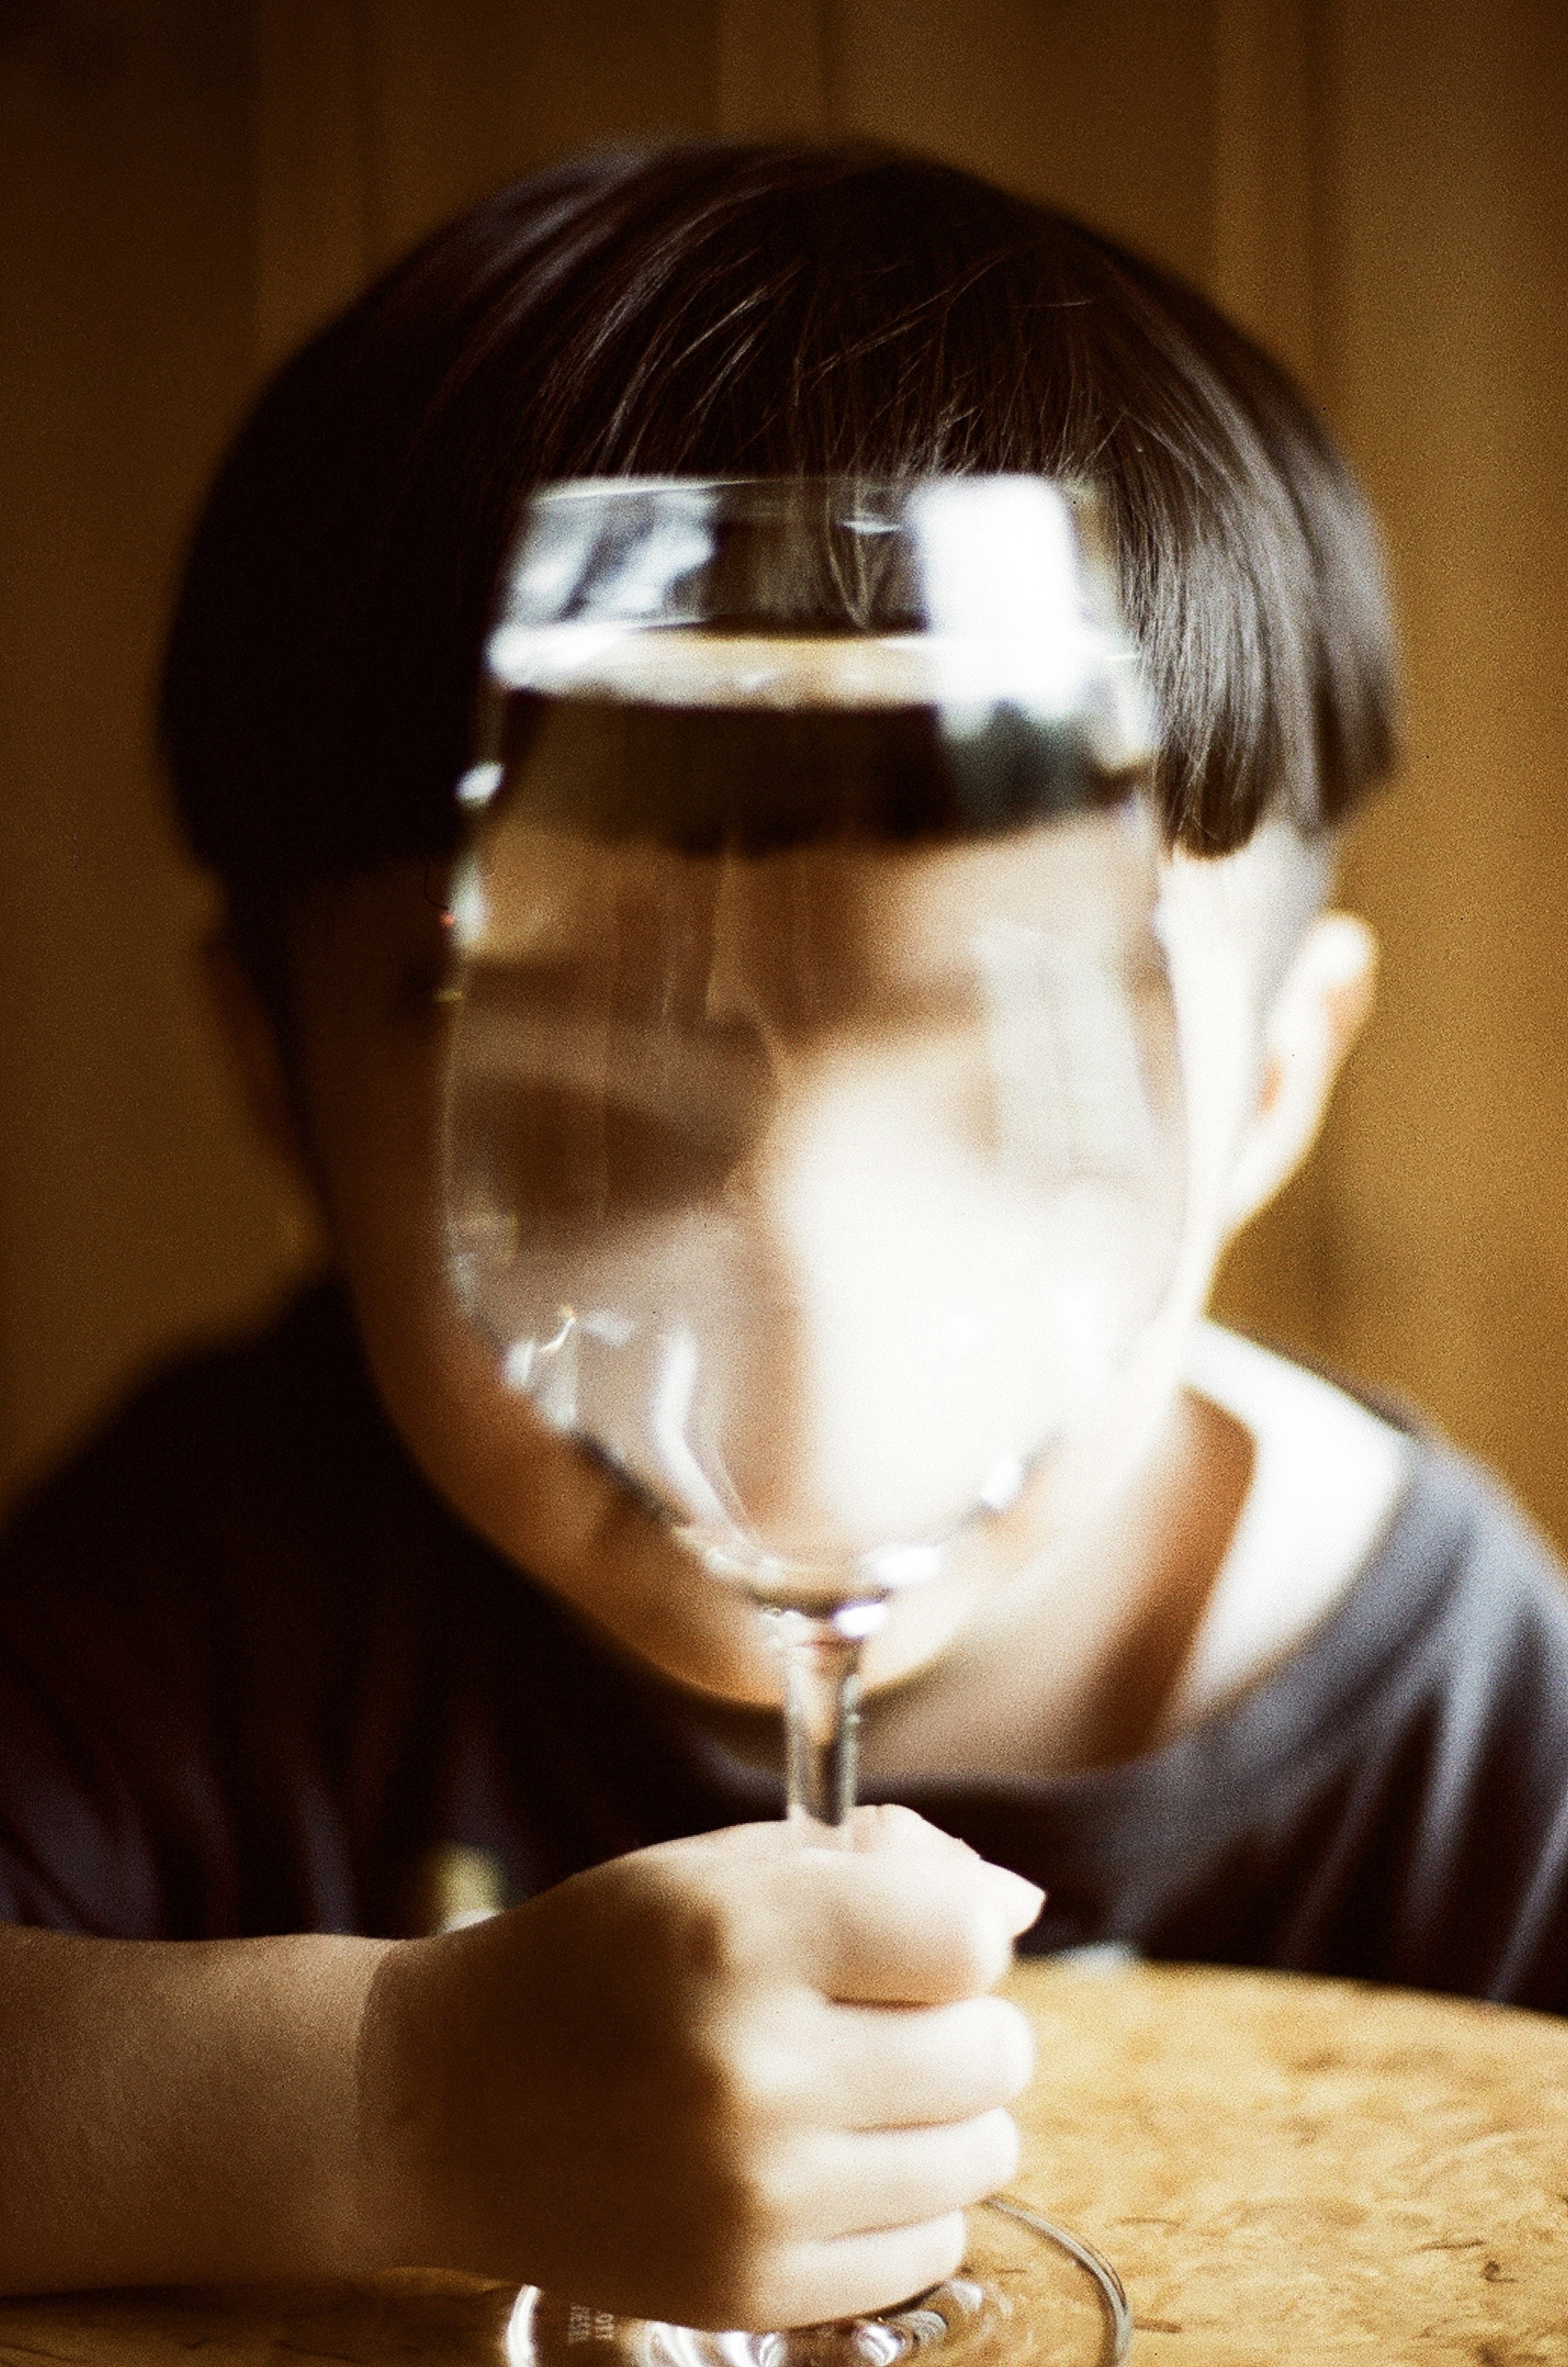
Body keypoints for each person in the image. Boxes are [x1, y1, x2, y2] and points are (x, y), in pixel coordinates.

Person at [3, 139, 1568, 2317]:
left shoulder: (1471, 1733)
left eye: (1019, 1105)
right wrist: (390, 2097)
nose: (805, 1352)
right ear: (282, 1081)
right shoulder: (228, 1586)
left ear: (1274, 1083)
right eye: (574, 1131)